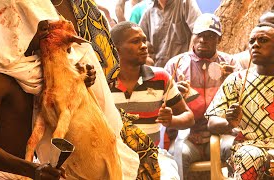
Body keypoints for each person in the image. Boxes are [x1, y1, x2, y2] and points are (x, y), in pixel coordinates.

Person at [0, 0, 140, 179]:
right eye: (41, 27)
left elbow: (61, 98)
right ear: (20, 29)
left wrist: (81, 80)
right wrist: (32, 169)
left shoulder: (41, 70)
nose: (46, 31)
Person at [110, 21, 194, 179]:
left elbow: (188, 117)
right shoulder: (103, 81)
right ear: (116, 48)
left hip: (153, 155)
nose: (143, 46)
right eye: (136, 41)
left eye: (144, 40)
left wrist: (172, 120)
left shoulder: (160, 78)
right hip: (115, 157)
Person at [164, 13, 239, 179]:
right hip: (188, 136)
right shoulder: (175, 65)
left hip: (224, 134)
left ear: (219, 40)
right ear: (193, 36)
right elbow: (162, 107)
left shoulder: (231, 64)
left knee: (238, 150)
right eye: (199, 35)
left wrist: (232, 81)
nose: (203, 40)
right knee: (177, 155)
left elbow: (244, 102)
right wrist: (174, 94)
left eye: (210, 36)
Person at [205, 20, 274, 180]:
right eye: (252, 41)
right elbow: (212, 122)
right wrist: (229, 123)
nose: (255, 45)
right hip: (249, 147)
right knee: (250, 155)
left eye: (263, 40)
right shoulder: (236, 80)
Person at [139, 0, 201, 67]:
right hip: (157, 71)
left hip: (181, 70)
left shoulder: (185, 3)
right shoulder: (148, 12)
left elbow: (198, 30)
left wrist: (188, 62)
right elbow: (138, 40)